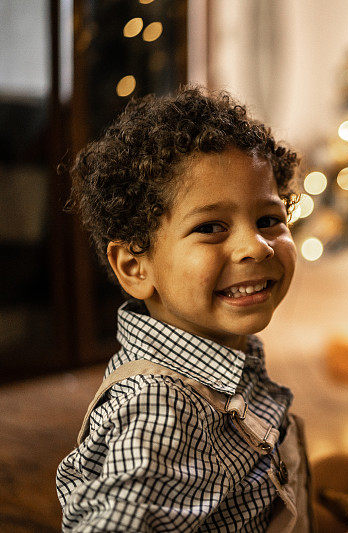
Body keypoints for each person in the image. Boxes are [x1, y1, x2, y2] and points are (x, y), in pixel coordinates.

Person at [56, 87, 312, 531]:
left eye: (269, 220)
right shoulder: (159, 408)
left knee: (346, 470)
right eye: (211, 227)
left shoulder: (221, 349)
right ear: (136, 267)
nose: (256, 246)